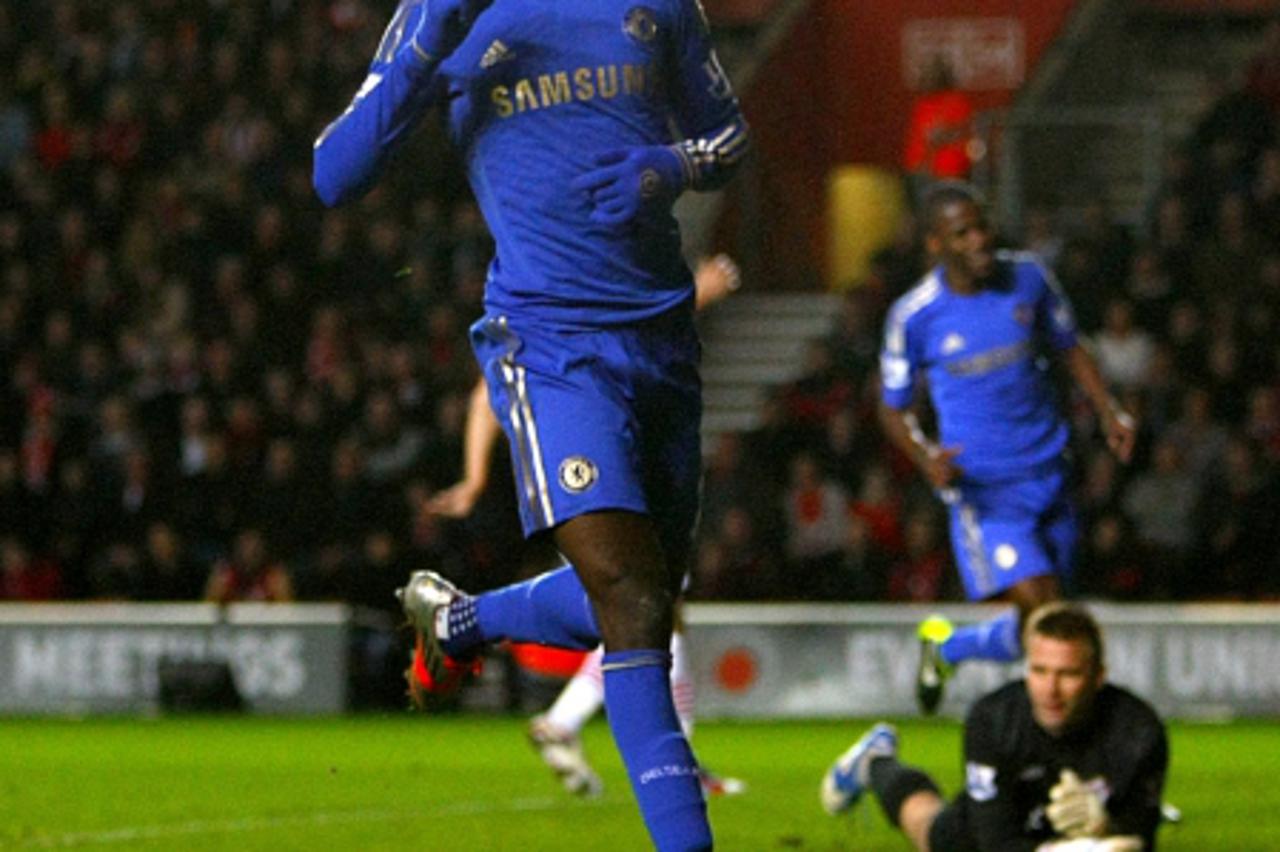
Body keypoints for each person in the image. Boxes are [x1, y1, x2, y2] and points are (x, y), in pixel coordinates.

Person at [313, 2, 749, 849]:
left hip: (662, 337)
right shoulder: (440, 11)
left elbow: (728, 139)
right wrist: (434, 35)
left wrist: (671, 164)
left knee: (650, 595)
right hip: (549, 341)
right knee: (629, 596)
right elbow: (334, 173)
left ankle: (461, 624)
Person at [427, 255, 745, 799]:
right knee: (641, 607)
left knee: (650, 610)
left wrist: (475, 479)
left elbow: (486, 396)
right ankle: (625, 743)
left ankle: (570, 721)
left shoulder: (545, 292)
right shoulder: (570, 295)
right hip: (606, 479)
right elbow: (627, 325)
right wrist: (699, 292)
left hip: (606, 474)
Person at [877, 182, 1136, 715]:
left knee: (1038, 624)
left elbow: (1069, 346)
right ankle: (1068, 753)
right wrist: (925, 455)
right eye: (962, 233)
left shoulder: (1029, 278)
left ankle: (949, 646)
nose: (979, 241)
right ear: (935, 245)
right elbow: (892, 405)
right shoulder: (915, 316)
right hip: (987, 494)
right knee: (1051, 622)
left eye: (982, 226)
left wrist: (1109, 410)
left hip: (1051, 474)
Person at [821, 603, 1169, 852]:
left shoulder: (1138, 731)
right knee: (931, 831)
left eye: (1068, 674)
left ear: (1098, 677)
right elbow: (994, 842)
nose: (1050, 689)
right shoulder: (993, 720)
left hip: (1056, 832)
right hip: (997, 826)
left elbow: (1141, 837)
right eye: (1039, 671)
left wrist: (1108, 827)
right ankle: (874, 763)